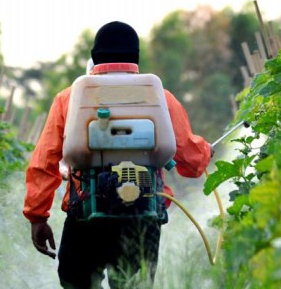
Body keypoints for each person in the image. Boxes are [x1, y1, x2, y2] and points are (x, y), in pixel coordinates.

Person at [23, 21, 212, 288]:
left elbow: (44, 162)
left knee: (76, 283)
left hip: (85, 216)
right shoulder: (160, 97)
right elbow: (191, 162)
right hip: (141, 217)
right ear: (135, 57)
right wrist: (206, 151)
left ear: (95, 55)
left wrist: (37, 216)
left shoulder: (69, 98)